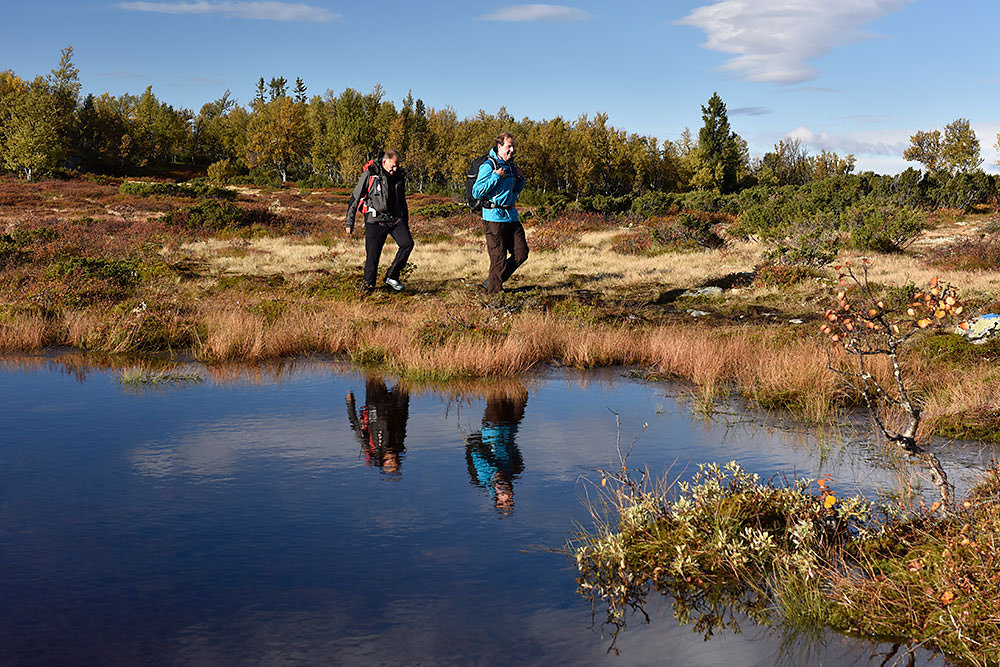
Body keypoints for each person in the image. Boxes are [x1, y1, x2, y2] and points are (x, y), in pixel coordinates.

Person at [345, 149, 413, 291]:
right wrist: (349, 222)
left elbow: (402, 201)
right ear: (384, 161)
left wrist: (405, 222)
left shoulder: (399, 176)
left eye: (397, 166)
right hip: (374, 220)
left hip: (395, 219)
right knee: (373, 257)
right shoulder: (370, 174)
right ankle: (368, 289)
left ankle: (392, 276)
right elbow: (355, 197)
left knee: (407, 244)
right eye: (393, 166)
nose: (395, 169)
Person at [471, 132, 527, 294]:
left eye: (513, 146)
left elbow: (513, 192)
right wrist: (496, 177)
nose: (512, 150)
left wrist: (521, 180)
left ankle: (493, 281)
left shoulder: (511, 166)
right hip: (493, 217)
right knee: (498, 258)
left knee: (521, 253)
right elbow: (477, 191)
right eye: (509, 146)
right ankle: (494, 296)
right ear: (499, 146)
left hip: (511, 216)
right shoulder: (489, 166)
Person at [465, 387, 527, 514]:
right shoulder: (510, 474)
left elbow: (476, 454)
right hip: (511, 428)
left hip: (492, 426)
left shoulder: (484, 478)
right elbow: (514, 452)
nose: (509, 498)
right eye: (511, 501)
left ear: (497, 499)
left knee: (496, 393)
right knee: (522, 395)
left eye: (505, 502)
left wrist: (495, 473)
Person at [346, 376, 410, 474]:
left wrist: (350, 404)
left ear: (383, 460)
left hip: (375, 403)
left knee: (373, 373)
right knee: (406, 379)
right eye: (396, 461)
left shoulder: (371, 448)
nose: (394, 459)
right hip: (396, 405)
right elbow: (403, 420)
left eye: (391, 462)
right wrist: (405, 399)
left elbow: (356, 426)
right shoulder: (399, 445)